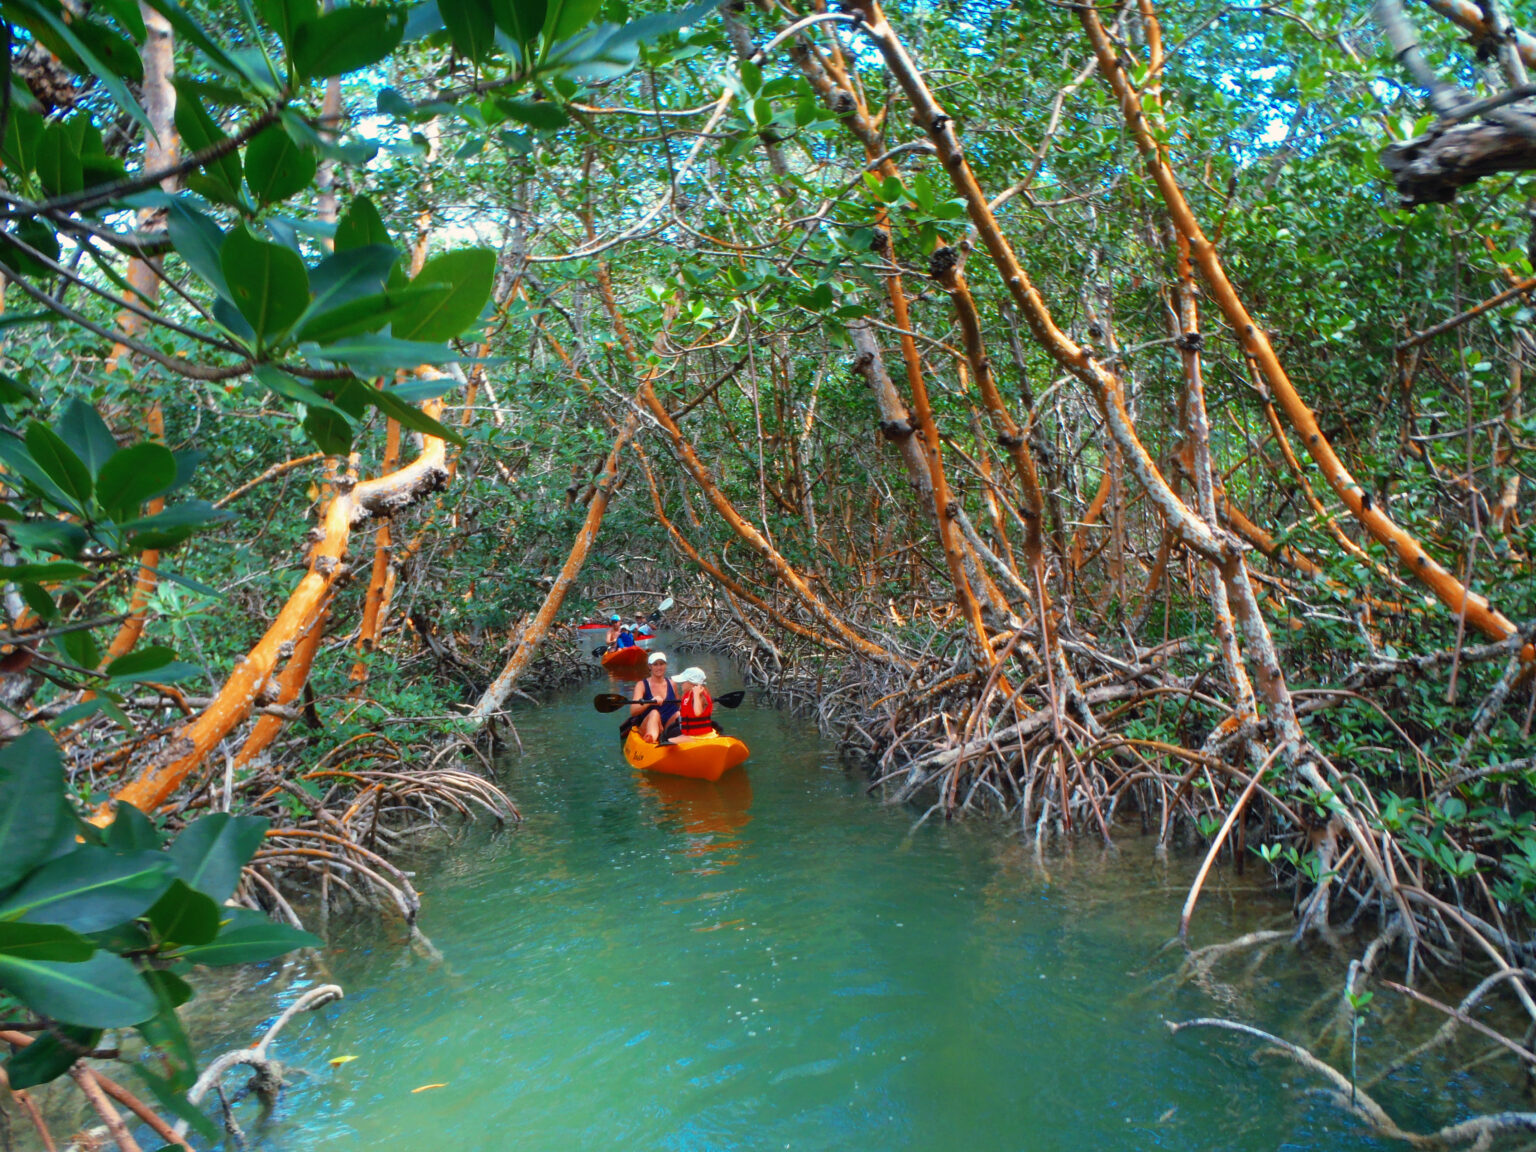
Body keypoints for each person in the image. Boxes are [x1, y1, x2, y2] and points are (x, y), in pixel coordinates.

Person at [630, 651, 680, 743]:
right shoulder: (642, 685)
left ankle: (675, 739)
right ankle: (651, 739)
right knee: (654, 713)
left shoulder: (672, 684)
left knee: (678, 715)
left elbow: (679, 705)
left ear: (665, 665)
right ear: (650, 666)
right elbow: (633, 711)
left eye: (661, 664)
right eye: (655, 664)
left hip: (667, 726)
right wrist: (650, 702)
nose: (659, 667)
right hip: (650, 723)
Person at [673, 666, 716, 743]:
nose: (681, 684)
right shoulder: (688, 694)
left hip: (698, 737)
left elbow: (697, 713)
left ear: (692, 684)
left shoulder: (699, 695)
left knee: (668, 741)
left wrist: (696, 694)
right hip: (693, 734)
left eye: (683, 682)